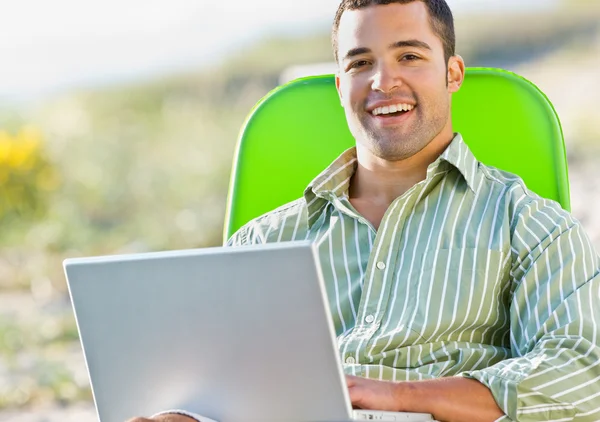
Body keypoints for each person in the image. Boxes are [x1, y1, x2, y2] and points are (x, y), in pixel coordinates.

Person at [129, 1, 600, 421]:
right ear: (340, 86)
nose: (383, 81)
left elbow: (580, 374)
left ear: (452, 73)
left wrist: (400, 396)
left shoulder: (530, 225)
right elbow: (220, 384)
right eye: (361, 63)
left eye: (409, 56)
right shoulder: (263, 242)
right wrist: (183, 416)